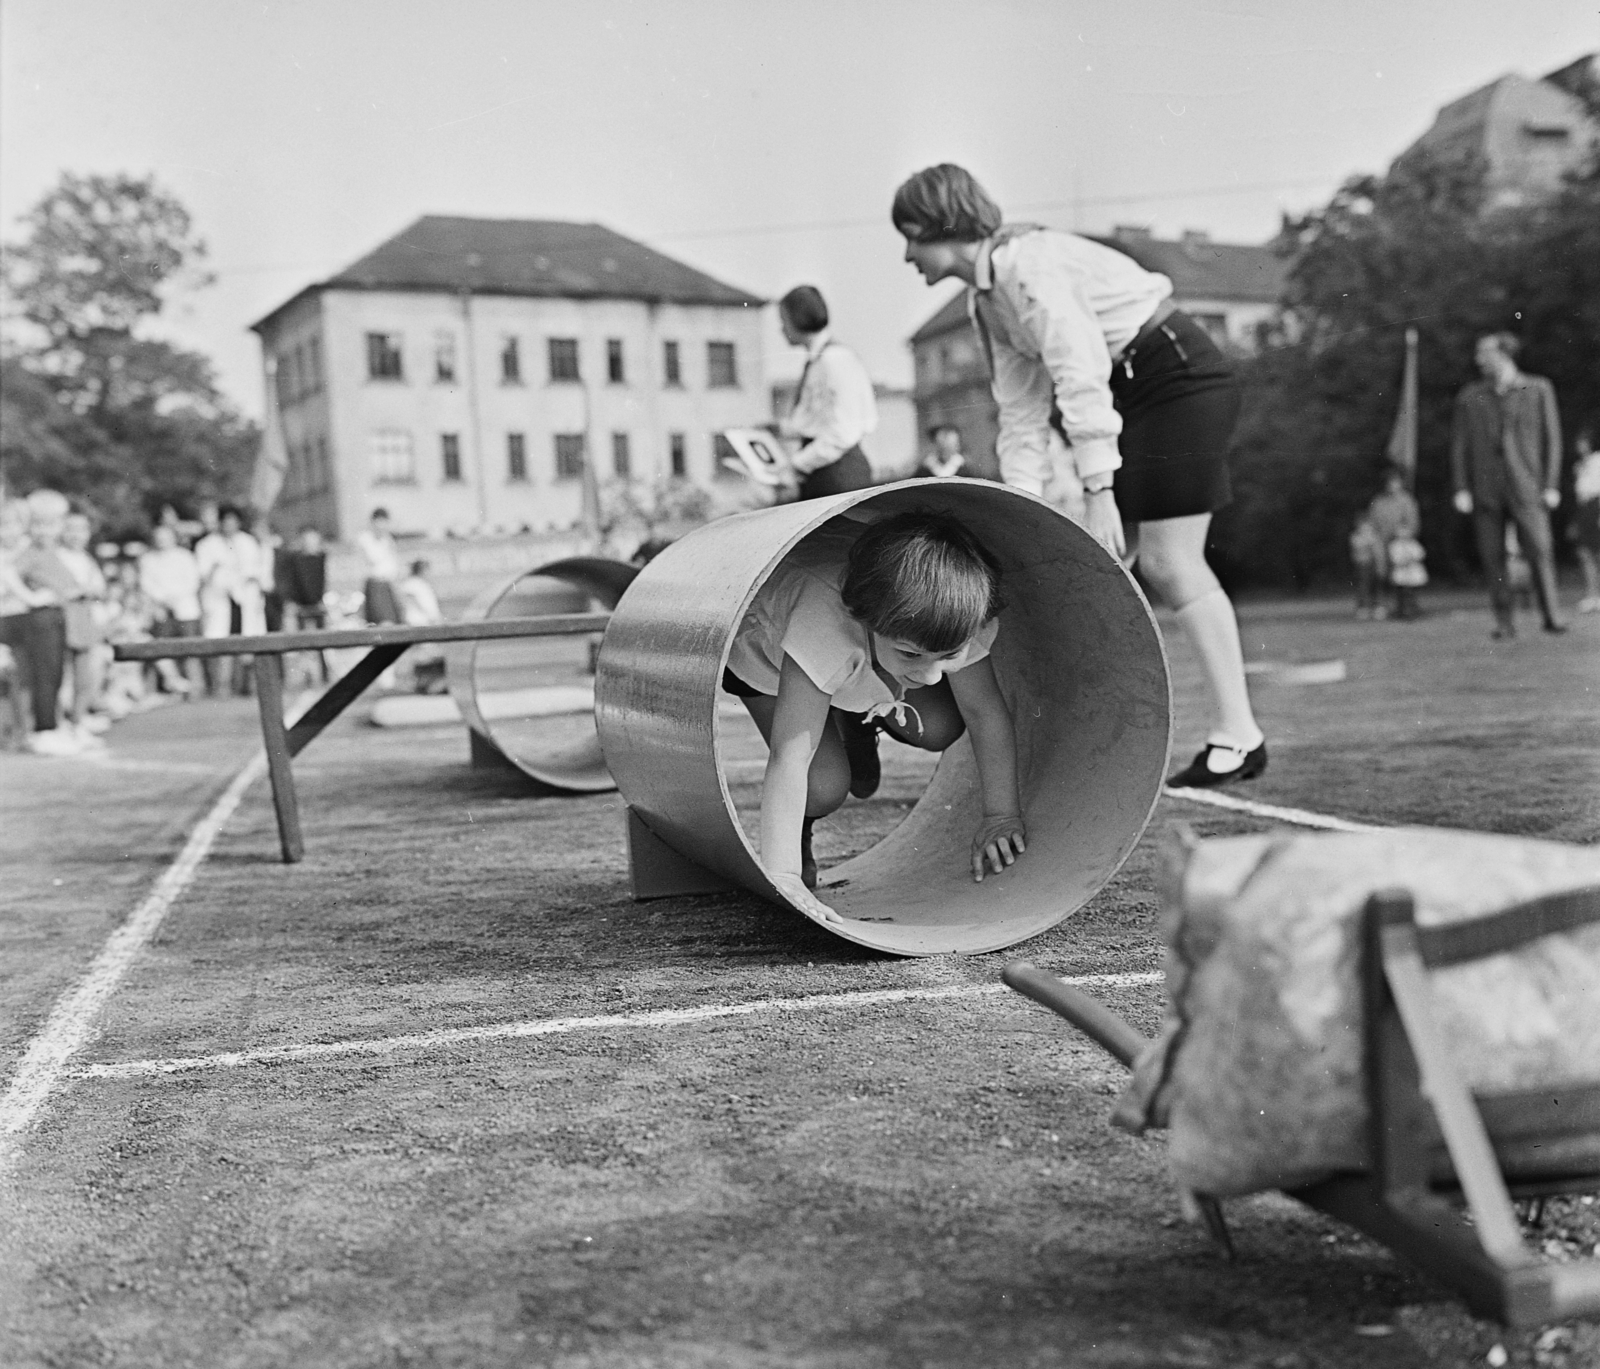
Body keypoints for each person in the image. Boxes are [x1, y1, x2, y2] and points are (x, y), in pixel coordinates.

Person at [892, 164, 1266, 787]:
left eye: (911, 235)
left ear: (943, 225)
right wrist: (1018, 511)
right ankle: (1106, 739)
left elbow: (1080, 373)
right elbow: (1021, 413)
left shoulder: (1026, 266)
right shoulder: (987, 299)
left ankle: (1240, 736)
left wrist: (1098, 491)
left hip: (1177, 376)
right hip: (1136, 390)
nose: (907, 254)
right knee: (1114, 572)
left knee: (1170, 563)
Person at [723, 510, 1024, 924]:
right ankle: (804, 822)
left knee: (938, 724)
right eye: (912, 654)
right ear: (869, 623)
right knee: (823, 785)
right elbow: (789, 757)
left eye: (949, 656)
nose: (932, 675)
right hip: (769, 661)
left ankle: (857, 721)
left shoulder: (953, 615)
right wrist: (783, 873)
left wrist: (1001, 815)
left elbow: (984, 712)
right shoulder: (824, 631)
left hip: (860, 656)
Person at [1450, 331, 1567, 637]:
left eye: (1483, 352)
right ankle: (1504, 622)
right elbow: (1459, 446)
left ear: (1503, 354)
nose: (1478, 359)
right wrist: (1461, 486)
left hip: (1528, 485)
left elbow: (1552, 441)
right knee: (1492, 558)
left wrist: (1551, 484)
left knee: (1540, 550)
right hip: (1486, 489)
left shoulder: (1539, 388)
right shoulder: (1469, 396)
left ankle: (1551, 616)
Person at [775, 286, 879, 501]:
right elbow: (816, 420)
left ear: (798, 317)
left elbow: (842, 432)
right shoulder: (819, 360)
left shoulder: (835, 360)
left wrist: (796, 465)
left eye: (783, 319)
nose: (781, 328)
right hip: (824, 473)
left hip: (838, 475)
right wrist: (777, 428)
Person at [16, 489, 94, 753]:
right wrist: (30, 595)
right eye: (38, 524)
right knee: (45, 677)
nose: (45, 531)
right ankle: (43, 730)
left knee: (56, 676)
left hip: (58, 620)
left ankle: (54, 725)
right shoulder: (29, 552)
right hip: (39, 620)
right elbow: (11, 575)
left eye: (51, 524)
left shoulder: (55, 553)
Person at [195, 504, 266, 694]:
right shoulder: (207, 544)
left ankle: (246, 685)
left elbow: (257, 570)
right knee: (221, 642)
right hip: (219, 600)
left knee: (247, 641)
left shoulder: (248, 542)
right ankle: (221, 686)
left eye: (233, 521)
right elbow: (203, 574)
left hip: (245, 599)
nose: (229, 525)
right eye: (225, 521)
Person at [139, 523, 204, 695]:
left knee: (190, 650)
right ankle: (169, 688)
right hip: (161, 611)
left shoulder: (185, 557)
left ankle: (195, 688)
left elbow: (192, 582)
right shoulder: (147, 559)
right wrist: (162, 599)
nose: (162, 542)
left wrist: (174, 598)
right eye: (158, 538)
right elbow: (146, 584)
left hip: (185, 610)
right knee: (162, 651)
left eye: (165, 538)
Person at [1366, 467, 1423, 620]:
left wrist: (1404, 533)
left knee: (1405, 577)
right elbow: (1372, 524)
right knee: (1381, 574)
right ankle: (1381, 605)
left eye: (1395, 482)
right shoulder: (1378, 502)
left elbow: (1413, 524)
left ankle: (1407, 606)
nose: (1392, 485)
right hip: (1382, 544)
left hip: (1401, 544)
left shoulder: (1407, 500)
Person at [1571, 424, 1600, 614]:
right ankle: (1592, 595)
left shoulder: (1598, 460)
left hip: (1596, 505)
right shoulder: (1579, 465)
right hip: (1584, 510)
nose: (1578, 446)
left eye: (1581, 443)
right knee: (1585, 553)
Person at [358, 507, 404, 623]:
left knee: (395, 620)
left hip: (388, 584)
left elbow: (394, 563)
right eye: (379, 522)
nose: (382, 526)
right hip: (375, 585)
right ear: (373, 522)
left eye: (384, 522)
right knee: (382, 621)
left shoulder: (388, 539)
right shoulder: (365, 539)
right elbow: (373, 558)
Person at [1349, 516, 1386, 621]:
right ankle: (1363, 608)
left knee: (1377, 588)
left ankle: (1378, 608)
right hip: (1362, 567)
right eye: (1364, 528)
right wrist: (1369, 541)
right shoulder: (1355, 537)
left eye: (1369, 528)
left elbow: (1380, 554)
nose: (1366, 530)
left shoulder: (1376, 538)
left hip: (1374, 566)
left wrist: (1381, 566)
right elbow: (1357, 548)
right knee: (1363, 588)